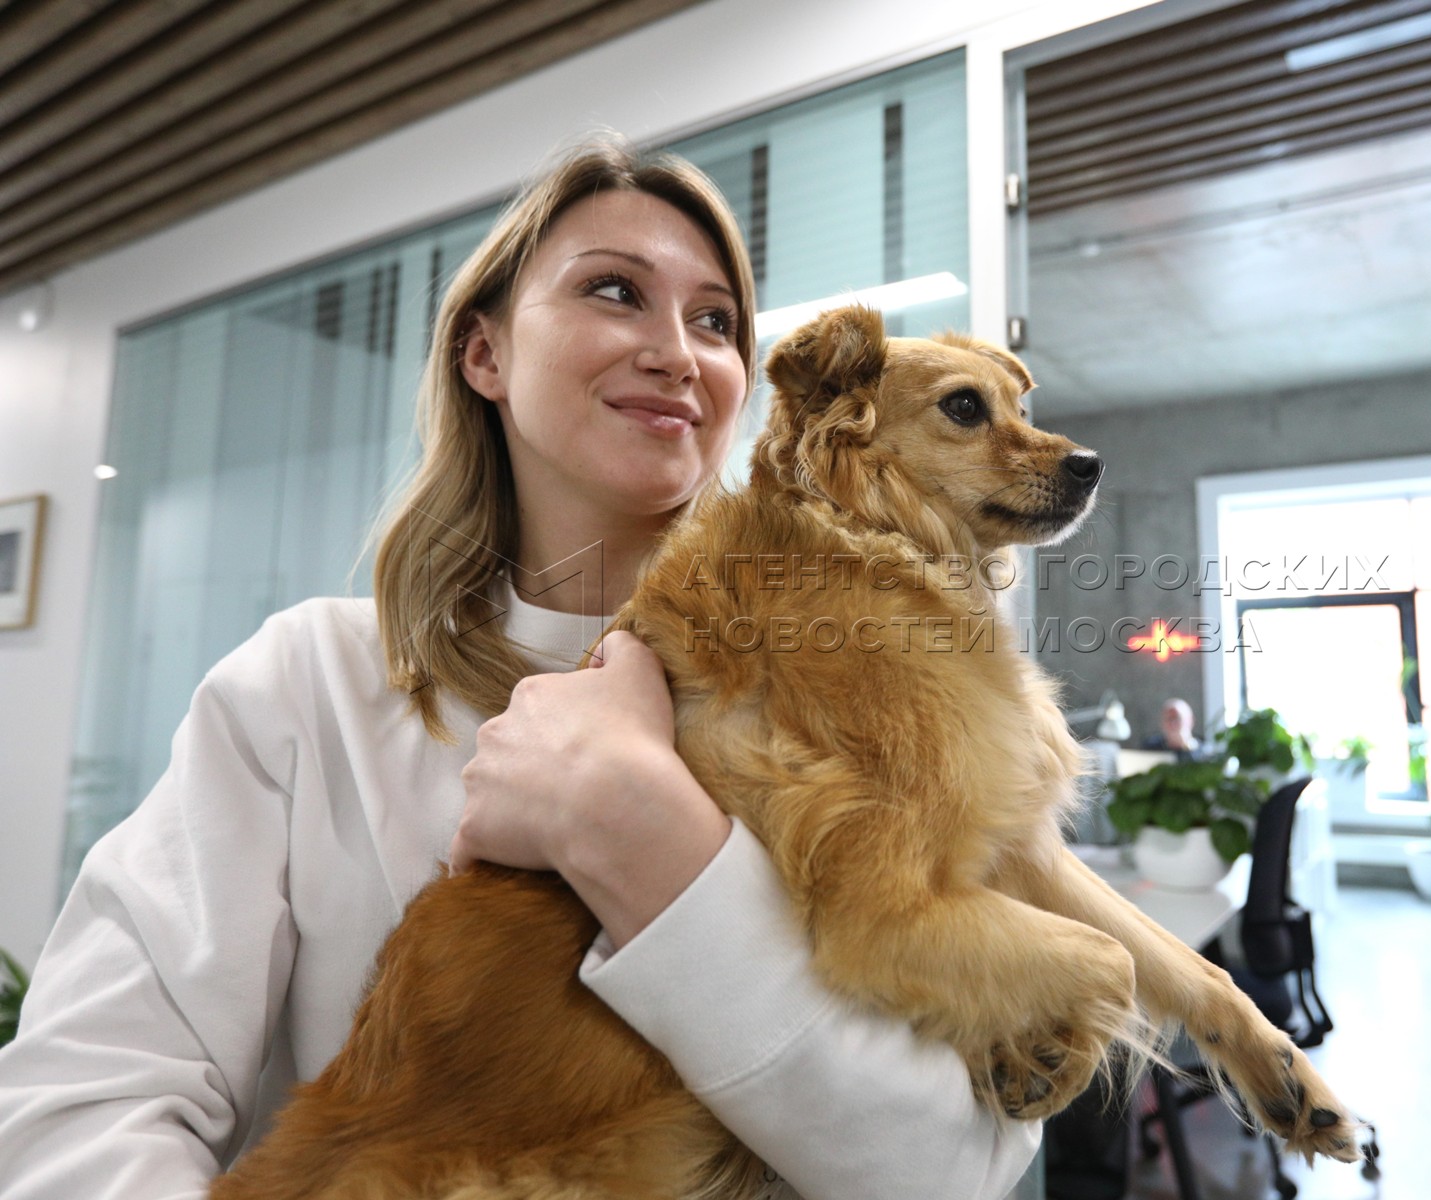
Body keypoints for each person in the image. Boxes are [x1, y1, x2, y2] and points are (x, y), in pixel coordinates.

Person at [0, 137, 1039, 1199]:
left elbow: (960, 1168)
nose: (677, 352)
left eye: (716, 321)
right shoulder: (309, 684)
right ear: (484, 354)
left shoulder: (880, 696)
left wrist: (654, 848)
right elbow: (78, 1107)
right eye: (615, 291)